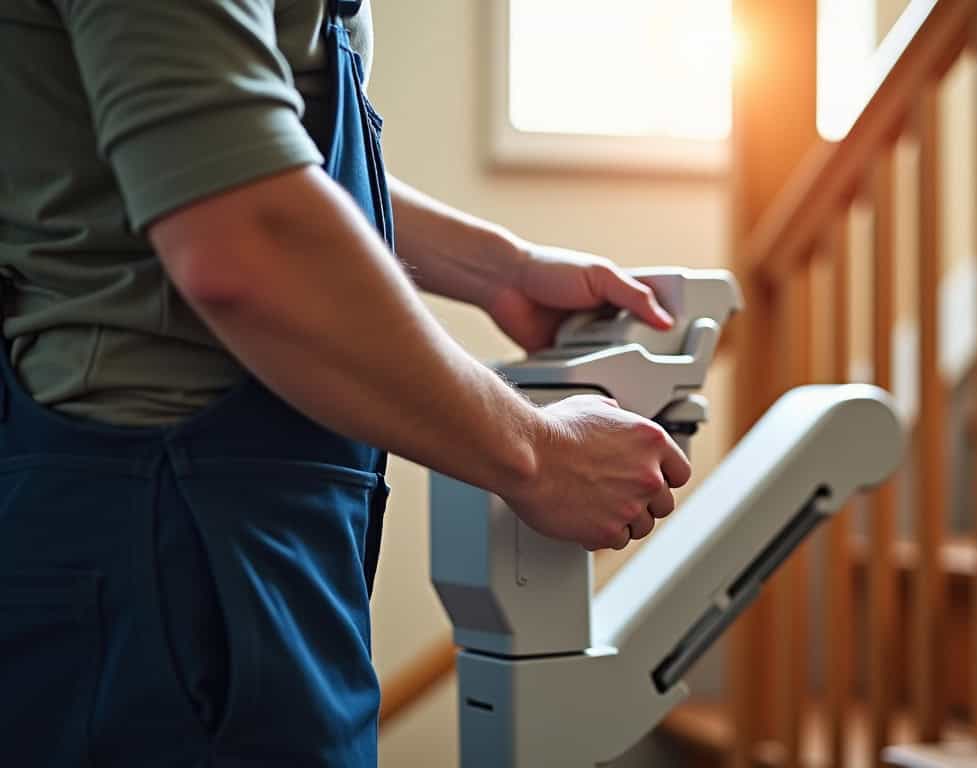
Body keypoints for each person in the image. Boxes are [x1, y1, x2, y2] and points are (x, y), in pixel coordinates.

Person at [0, 1, 692, 765]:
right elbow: (242, 235)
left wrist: (502, 268)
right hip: (166, 538)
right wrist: (540, 453)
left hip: (236, 523)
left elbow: (240, 148)